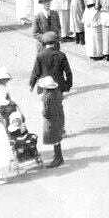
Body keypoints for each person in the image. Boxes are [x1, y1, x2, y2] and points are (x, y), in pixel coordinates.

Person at [29, 32, 72, 168]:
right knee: (59, 109)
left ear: (44, 43)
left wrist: (31, 84)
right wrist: (67, 85)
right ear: (55, 42)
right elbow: (68, 72)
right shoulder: (61, 55)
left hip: (46, 87)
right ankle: (62, 128)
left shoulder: (40, 55)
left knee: (49, 113)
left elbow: (35, 72)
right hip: (58, 87)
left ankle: (58, 150)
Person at [33, 75, 66, 169]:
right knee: (58, 138)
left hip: (52, 120)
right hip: (60, 116)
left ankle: (58, 158)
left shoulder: (47, 98)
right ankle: (59, 157)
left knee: (55, 139)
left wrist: (41, 109)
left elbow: (46, 113)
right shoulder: (57, 93)